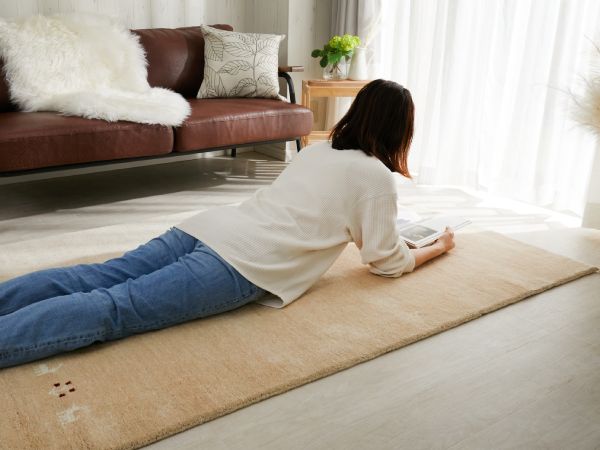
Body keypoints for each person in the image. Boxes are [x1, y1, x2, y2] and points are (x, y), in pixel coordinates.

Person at [0, 79, 455, 369]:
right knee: (114, 307)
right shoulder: (376, 178)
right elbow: (385, 261)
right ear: (401, 130)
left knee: (96, 276)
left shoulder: (319, 150)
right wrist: (435, 247)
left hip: (208, 227)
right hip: (238, 264)